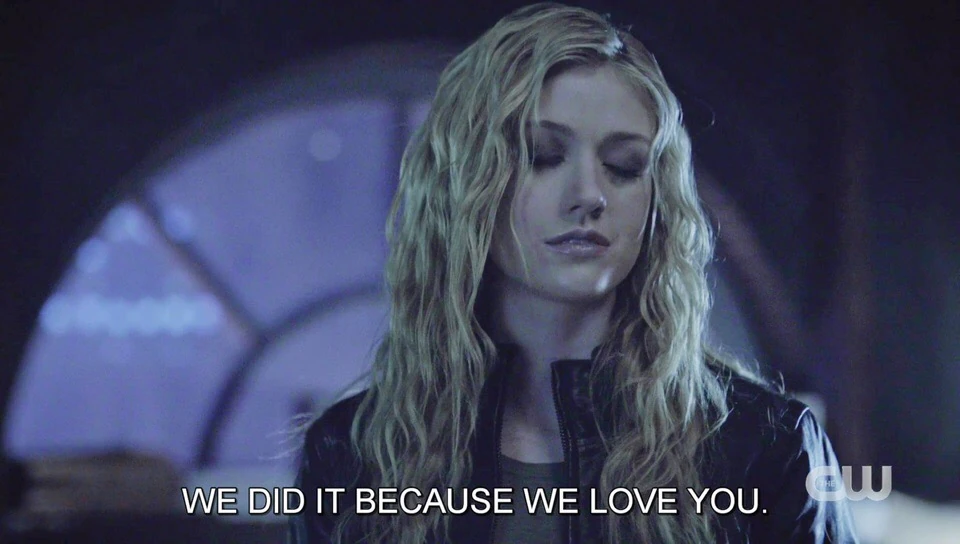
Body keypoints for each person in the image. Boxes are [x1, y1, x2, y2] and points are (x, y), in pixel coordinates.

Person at [288, 3, 859, 543]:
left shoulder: (768, 449)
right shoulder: (351, 456)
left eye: (624, 166)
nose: (589, 195)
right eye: (542, 156)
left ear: (657, 200)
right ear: (467, 184)